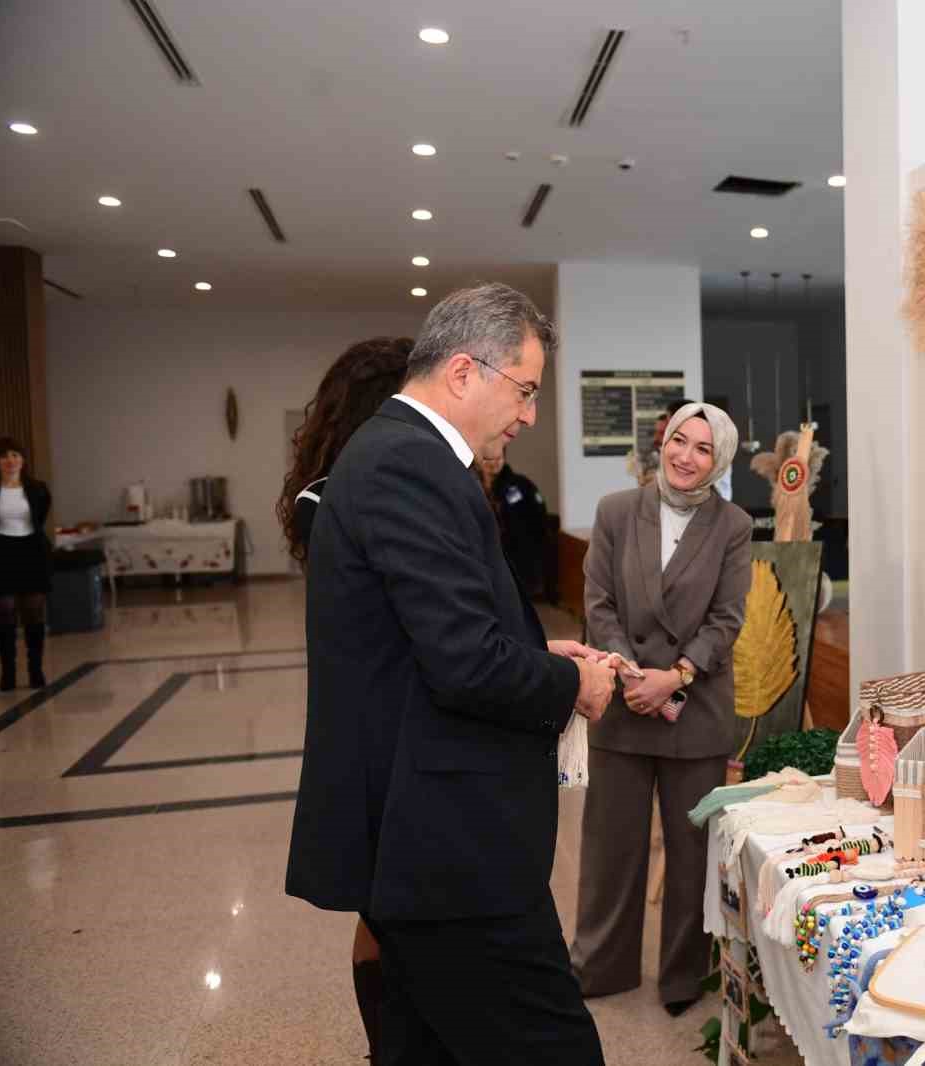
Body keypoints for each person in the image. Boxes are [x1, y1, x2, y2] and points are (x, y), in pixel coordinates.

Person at [284, 283, 615, 1065]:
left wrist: (540, 657)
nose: (530, 414)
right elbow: (465, 665)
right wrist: (577, 687)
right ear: (465, 372)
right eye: (526, 390)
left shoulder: (395, 456)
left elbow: (432, 638)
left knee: (425, 1044)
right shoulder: (410, 464)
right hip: (449, 852)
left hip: (423, 840)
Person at [574, 402, 752, 1016]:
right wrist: (629, 672)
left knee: (690, 857)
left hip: (694, 707)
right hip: (623, 702)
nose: (686, 455)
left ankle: (683, 977)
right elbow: (598, 603)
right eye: (680, 439)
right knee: (609, 849)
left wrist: (673, 677)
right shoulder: (617, 512)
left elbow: (727, 619)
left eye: (703, 448)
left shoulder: (733, 526)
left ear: (719, 460)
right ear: (663, 443)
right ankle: (600, 966)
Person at [276, 335, 411, 1063]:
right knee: (384, 912)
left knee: (388, 912)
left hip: (377, 725)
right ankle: (385, 1046)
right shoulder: (327, 501)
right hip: (368, 735)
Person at [0, 437, 51, 692]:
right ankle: (7, 671)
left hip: (31, 551)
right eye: (5, 456)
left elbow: (41, 516)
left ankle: (35, 669)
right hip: (1, 552)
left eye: (15, 455)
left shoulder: (38, 488)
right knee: (4, 609)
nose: (10, 460)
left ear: (23, 460)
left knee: (33, 610)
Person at [477, 442, 549, 601]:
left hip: (518, 557)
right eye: (489, 458)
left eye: (499, 458)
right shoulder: (473, 484)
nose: (494, 462)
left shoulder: (521, 485)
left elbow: (539, 517)